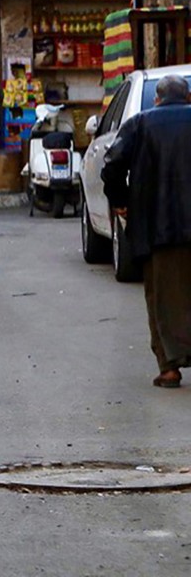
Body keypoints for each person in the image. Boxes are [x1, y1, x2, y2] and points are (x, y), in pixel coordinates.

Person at [101, 74, 191, 388]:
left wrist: (120, 201)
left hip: (156, 228)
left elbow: (111, 165)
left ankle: (169, 368)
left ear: (157, 99)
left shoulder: (140, 124)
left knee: (161, 297)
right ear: (188, 98)